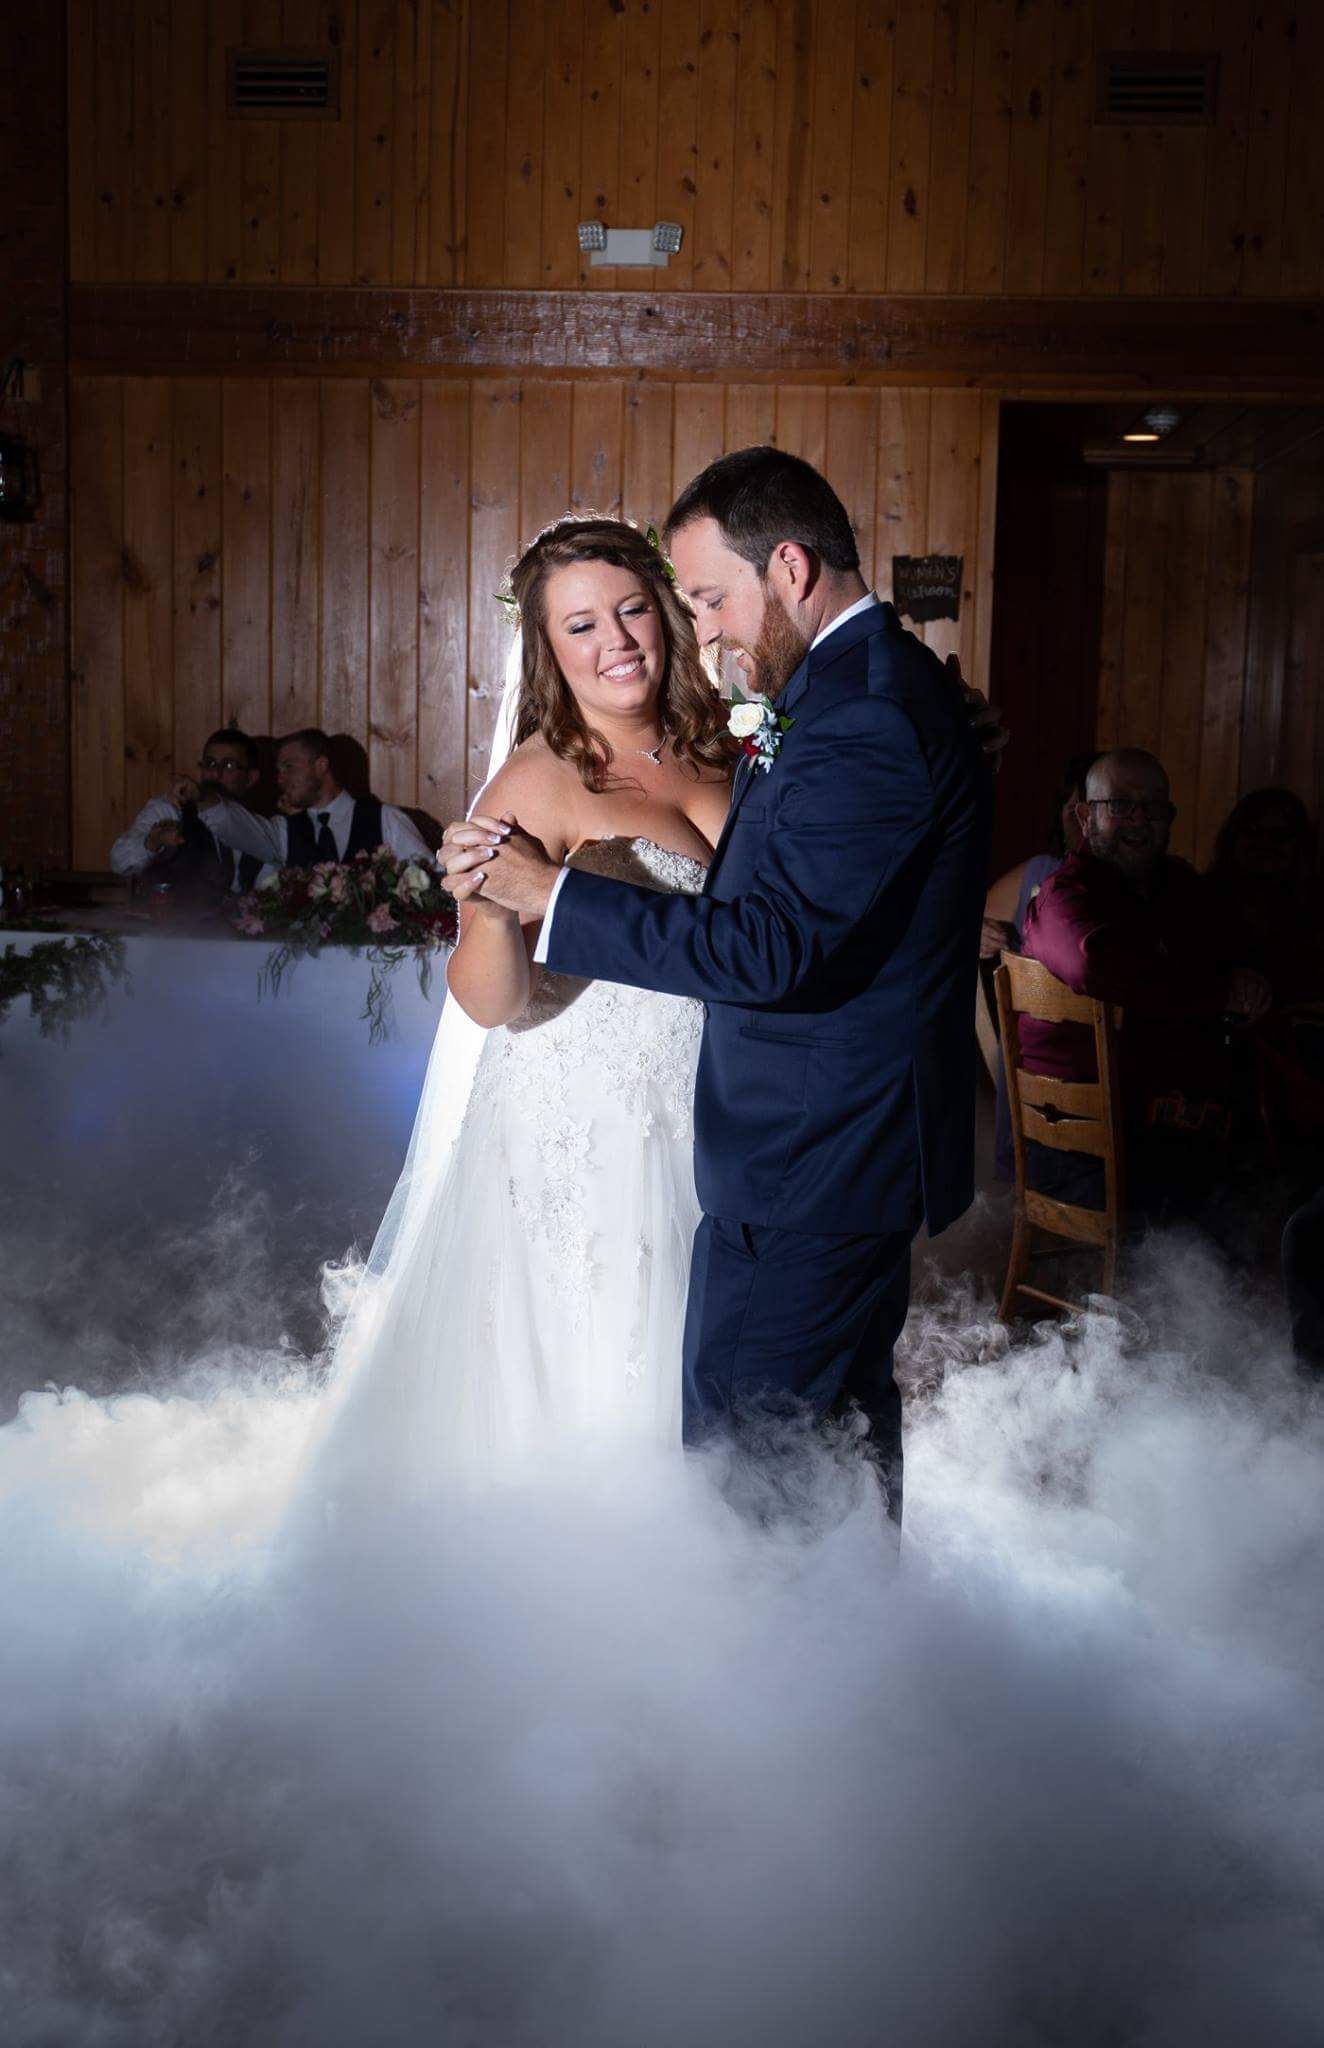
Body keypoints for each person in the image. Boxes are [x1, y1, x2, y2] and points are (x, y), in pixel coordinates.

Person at [442, 450, 993, 1520]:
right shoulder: (839, 696)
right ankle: (834, 1655)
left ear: (785, 568)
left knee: (759, 1472)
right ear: (546, 651)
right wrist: (513, 900)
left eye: (685, 601)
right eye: (583, 624)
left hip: (802, 1142)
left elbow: (774, 943)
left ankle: (773, 1672)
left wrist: (558, 892)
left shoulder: (836, 711)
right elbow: (495, 994)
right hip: (720, 1129)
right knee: (816, 1445)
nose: (686, 630)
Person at [1018, 748, 1272, 1225]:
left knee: (1269, 1185)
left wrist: (1246, 979)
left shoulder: (1179, 886)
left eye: (1153, 807)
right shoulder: (1064, 894)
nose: (1139, 818)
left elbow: (1230, 948)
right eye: (1119, 805)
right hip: (1086, 1148)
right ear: (1084, 816)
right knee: (1222, 1205)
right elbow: (1093, 964)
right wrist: (1214, 991)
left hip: (1168, 1128)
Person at [982, 751, 1100, 1181]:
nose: (1084, 823)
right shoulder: (1040, 873)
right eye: (1075, 810)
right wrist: (977, 934)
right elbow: (957, 932)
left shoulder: (1141, 889)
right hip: (1040, 1091)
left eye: (1098, 810)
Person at [175, 729, 430, 870]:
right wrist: (203, 799)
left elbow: (431, 878)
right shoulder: (284, 830)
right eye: (279, 770)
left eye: (290, 767)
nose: (280, 778)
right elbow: (237, 828)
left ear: (321, 766)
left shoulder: (384, 819)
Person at [110, 729, 268, 902]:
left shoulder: (259, 823)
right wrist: (152, 842)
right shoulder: (171, 809)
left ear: (251, 778)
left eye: (228, 766)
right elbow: (120, 861)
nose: (215, 774)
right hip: (172, 925)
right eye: (210, 764)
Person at [1206, 786, 1324, 1007]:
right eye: (1253, 830)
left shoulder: (1314, 908)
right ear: (1234, 837)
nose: (1265, 843)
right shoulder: (1202, 901)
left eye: (1280, 835)